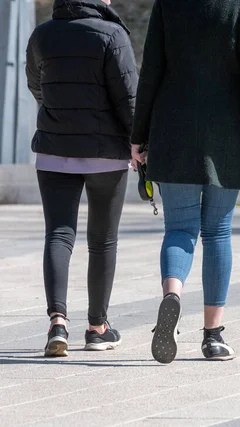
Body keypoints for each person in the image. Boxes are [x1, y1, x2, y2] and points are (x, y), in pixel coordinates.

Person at [130, 0, 240, 363]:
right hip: (226, 134)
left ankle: (173, 293)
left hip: (173, 129)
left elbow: (151, 70)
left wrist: (138, 137)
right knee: (217, 232)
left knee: (179, 229)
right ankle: (213, 336)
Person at [25, 0, 138, 356]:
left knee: (59, 234)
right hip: (106, 153)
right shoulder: (112, 34)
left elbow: (36, 84)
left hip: (54, 149)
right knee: (102, 241)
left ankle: (57, 322)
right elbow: (128, 96)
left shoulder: (43, 34)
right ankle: (97, 327)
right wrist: (139, 143)